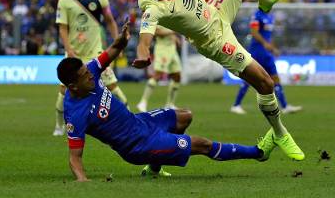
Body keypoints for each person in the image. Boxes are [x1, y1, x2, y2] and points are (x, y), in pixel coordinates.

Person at [112, 0, 304, 161]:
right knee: (266, 84)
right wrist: (142, 53)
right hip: (216, 41)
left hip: (215, 9)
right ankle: (279, 132)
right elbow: (145, 35)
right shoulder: (153, 6)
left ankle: (265, 1)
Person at [58, 22, 277, 181]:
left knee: (184, 116)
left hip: (140, 122)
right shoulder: (75, 113)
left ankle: (154, 169)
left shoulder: (89, 73)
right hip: (137, 146)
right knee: (202, 144)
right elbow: (74, 157)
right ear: (73, 86)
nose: (90, 75)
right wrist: (83, 182)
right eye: (85, 76)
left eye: (88, 71)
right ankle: (258, 152)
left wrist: (121, 41)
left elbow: (110, 54)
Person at [53, 0, 128, 136]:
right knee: (64, 92)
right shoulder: (65, 1)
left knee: (114, 88)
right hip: (74, 56)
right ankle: (58, 126)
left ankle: (129, 121)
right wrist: (68, 49)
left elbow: (109, 20)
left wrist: (118, 41)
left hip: (96, 54)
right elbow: (62, 27)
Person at [231, 9, 302, 115]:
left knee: (275, 78)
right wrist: (265, 44)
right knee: (250, 79)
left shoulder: (270, 16)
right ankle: (236, 105)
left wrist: (272, 48)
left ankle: (285, 106)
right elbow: (254, 32)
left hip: (266, 53)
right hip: (257, 52)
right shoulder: (257, 15)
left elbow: (268, 37)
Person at [136, 25, 182, 112]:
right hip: (162, 50)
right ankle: (143, 102)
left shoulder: (170, 17)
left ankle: (170, 104)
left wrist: (175, 38)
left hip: (172, 50)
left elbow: (170, 31)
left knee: (177, 76)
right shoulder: (159, 18)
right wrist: (173, 31)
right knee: (158, 75)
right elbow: (156, 32)